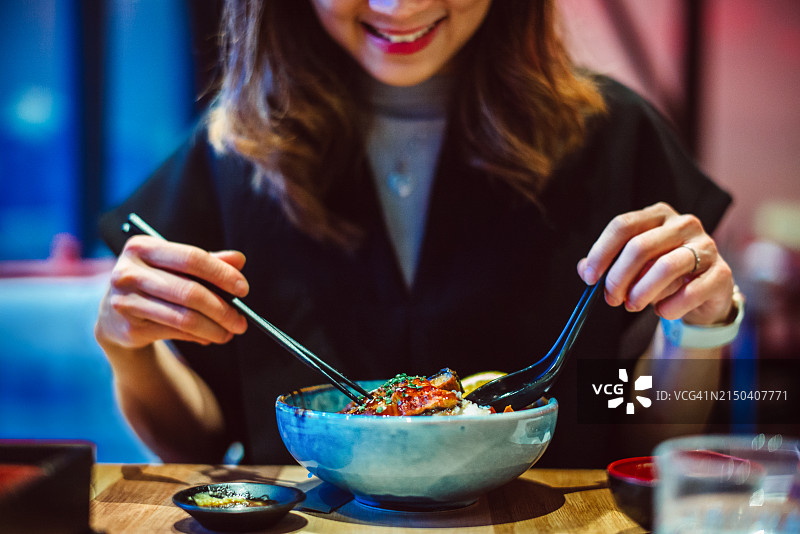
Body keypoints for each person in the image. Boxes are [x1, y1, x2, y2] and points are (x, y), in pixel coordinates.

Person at [95, 0, 742, 467]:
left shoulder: (614, 136)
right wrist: (129, 352)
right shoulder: (232, 150)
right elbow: (201, 446)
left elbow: (646, 439)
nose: (397, 7)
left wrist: (699, 327)